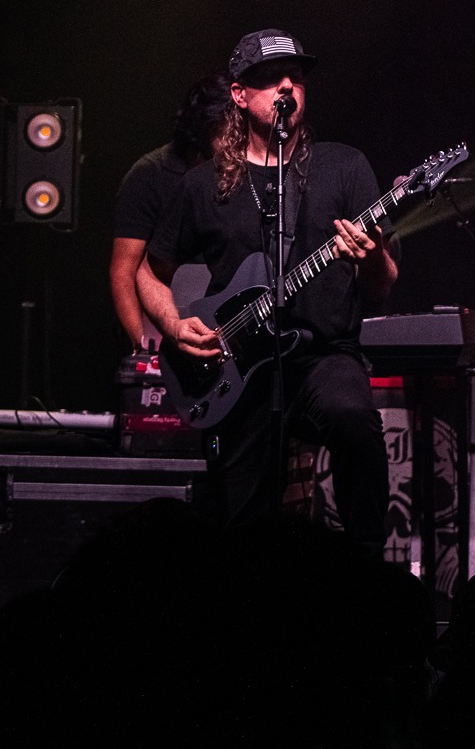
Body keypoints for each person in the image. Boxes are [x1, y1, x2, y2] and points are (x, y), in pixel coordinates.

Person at [138, 29, 398, 547]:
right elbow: (149, 272)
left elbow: (382, 287)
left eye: (295, 77)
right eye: (270, 78)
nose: (286, 87)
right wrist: (174, 325)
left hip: (323, 355)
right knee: (241, 521)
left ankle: (366, 565)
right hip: (236, 366)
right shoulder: (203, 185)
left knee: (354, 422)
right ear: (239, 94)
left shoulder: (344, 167)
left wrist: (370, 256)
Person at [109, 72, 233, 349]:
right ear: (204, 126)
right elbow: (123, 272)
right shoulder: (149, 175)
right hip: (161, 323)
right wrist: (143, 348)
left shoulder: (236, 172)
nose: (236, 139)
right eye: (227, 128)